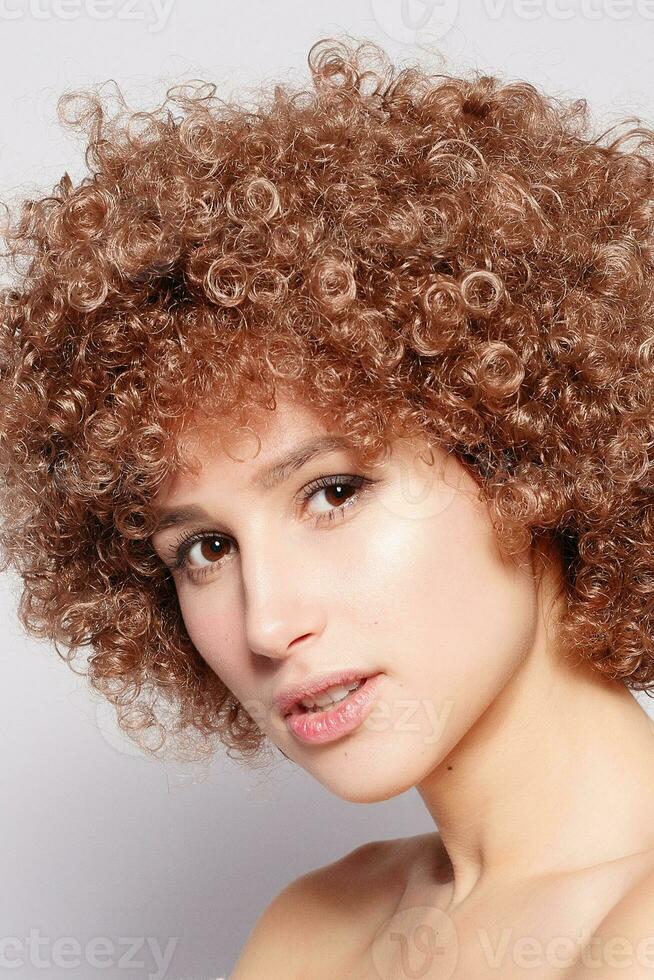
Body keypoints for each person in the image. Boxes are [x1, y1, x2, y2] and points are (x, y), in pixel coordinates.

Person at [2, 34, 654, 979]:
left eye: (333, 492)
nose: (266, 622)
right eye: (205, 550)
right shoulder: (316, 930)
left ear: (527, 461)